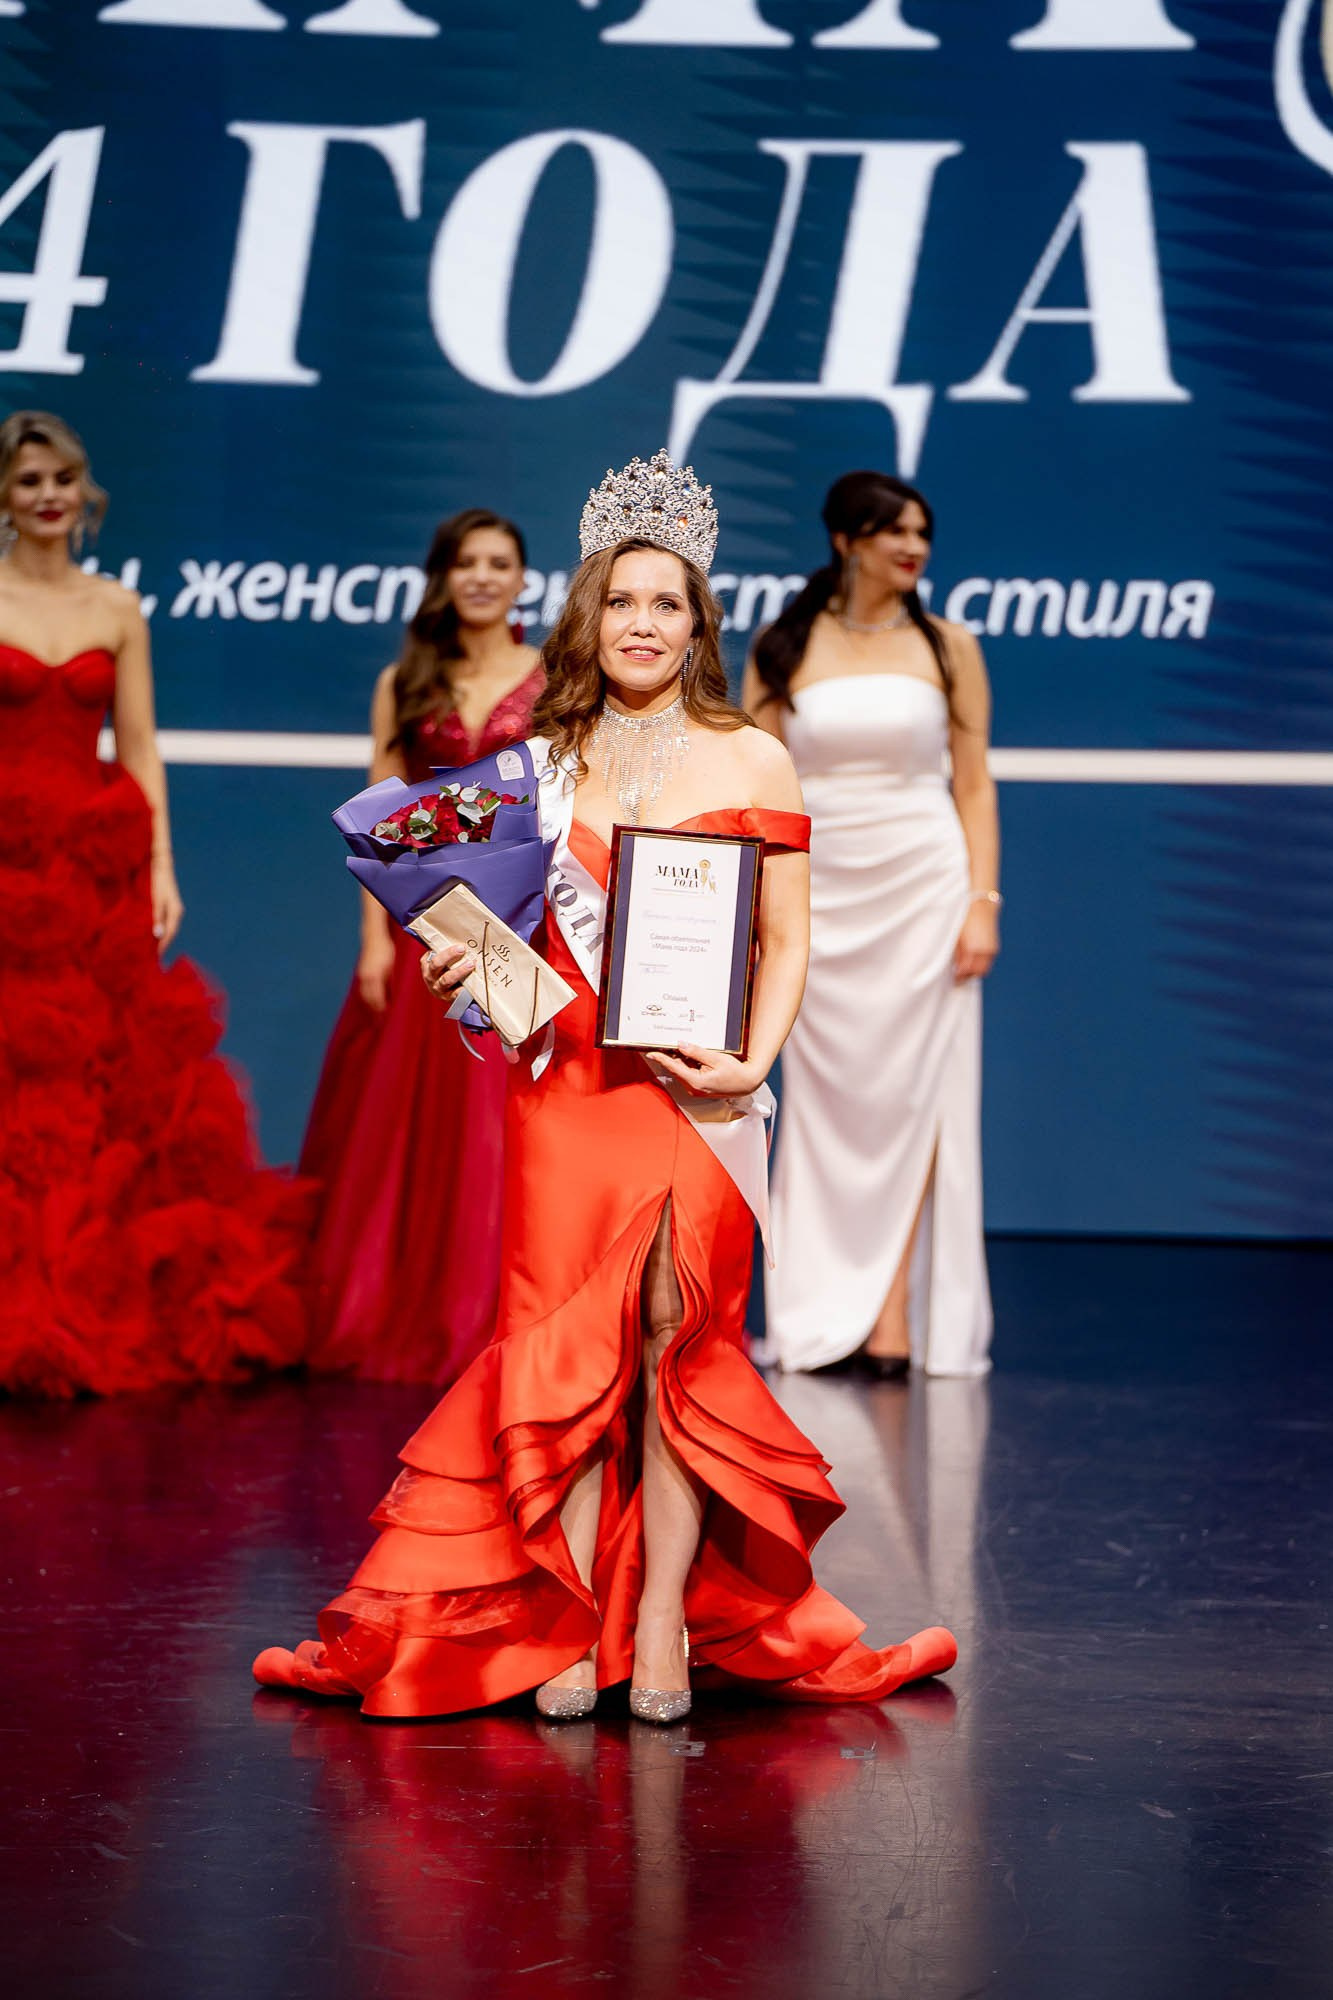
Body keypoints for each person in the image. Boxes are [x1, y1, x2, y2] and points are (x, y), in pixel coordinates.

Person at [254, 449, 957, 1723]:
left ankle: (663, 1617)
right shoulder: (540, 760)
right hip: (566, 1089)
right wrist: (463, 962)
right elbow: (487, 933)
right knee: (568, 1351)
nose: (641, 622)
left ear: (698, 623)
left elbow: (788, 937)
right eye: (620, 600)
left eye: (665, 602)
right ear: (590, 615)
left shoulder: (755, 759)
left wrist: (755, 1058)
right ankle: (573, 1613)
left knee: (673, 1341)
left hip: (698, 1093)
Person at [0, 410, 309, 1396]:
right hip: (6, 861)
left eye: (62, 478)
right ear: (4, 494)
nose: (48, 495)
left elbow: (139, 747)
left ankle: (77, 1295)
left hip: (94, 871)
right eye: (28, 479)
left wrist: (162, 867)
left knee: (97, 1078)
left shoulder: (118, 608)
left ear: (84, 491)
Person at [744, 470, 998, 1381]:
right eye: (894, 531)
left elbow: (972, 782)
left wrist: (982, 902)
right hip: (817, 891)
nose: (913, 547)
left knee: (918, 1094)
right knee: (822, 1103)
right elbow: (757, 785)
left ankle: (890, 1317)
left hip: (924, 887)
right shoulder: (781, 645)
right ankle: (815, 1308)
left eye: (922, 532)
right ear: (846, 540)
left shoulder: (949, 645)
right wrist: (758, 906)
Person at [300, 510, 543, 1383]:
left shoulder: (554, 676)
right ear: (442, 577)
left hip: (519, 924)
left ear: (522, 580)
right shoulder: (404, 681)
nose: (481, 576)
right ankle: (413, 1312)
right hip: (423, 928)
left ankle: (502, 1316)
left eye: (498, 562)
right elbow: (377, 817)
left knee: (501, 1124)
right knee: (412, 1137)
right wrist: (373, 939)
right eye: (465, 562)